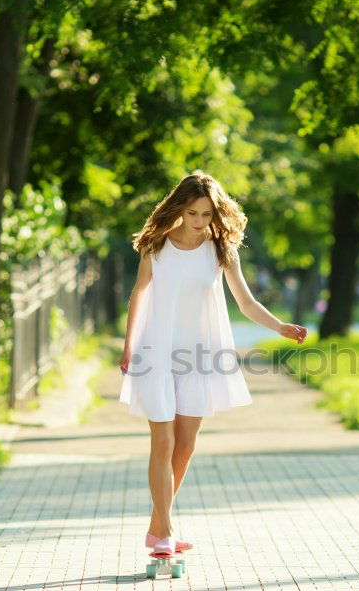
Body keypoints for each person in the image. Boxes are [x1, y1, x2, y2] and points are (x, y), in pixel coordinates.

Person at [118, 171, 307, 556]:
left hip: (199, 356)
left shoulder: (221, 250)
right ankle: (166, 531)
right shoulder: (156, 246)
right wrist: (128, 346)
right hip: (156, 351)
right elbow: (139, 294)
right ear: (179, 209)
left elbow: (246, 302)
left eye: (207, 214)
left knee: (185, 446)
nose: (200, 222)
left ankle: (157, 527)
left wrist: (280, 326)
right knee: (163, 440)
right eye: (192, 213)